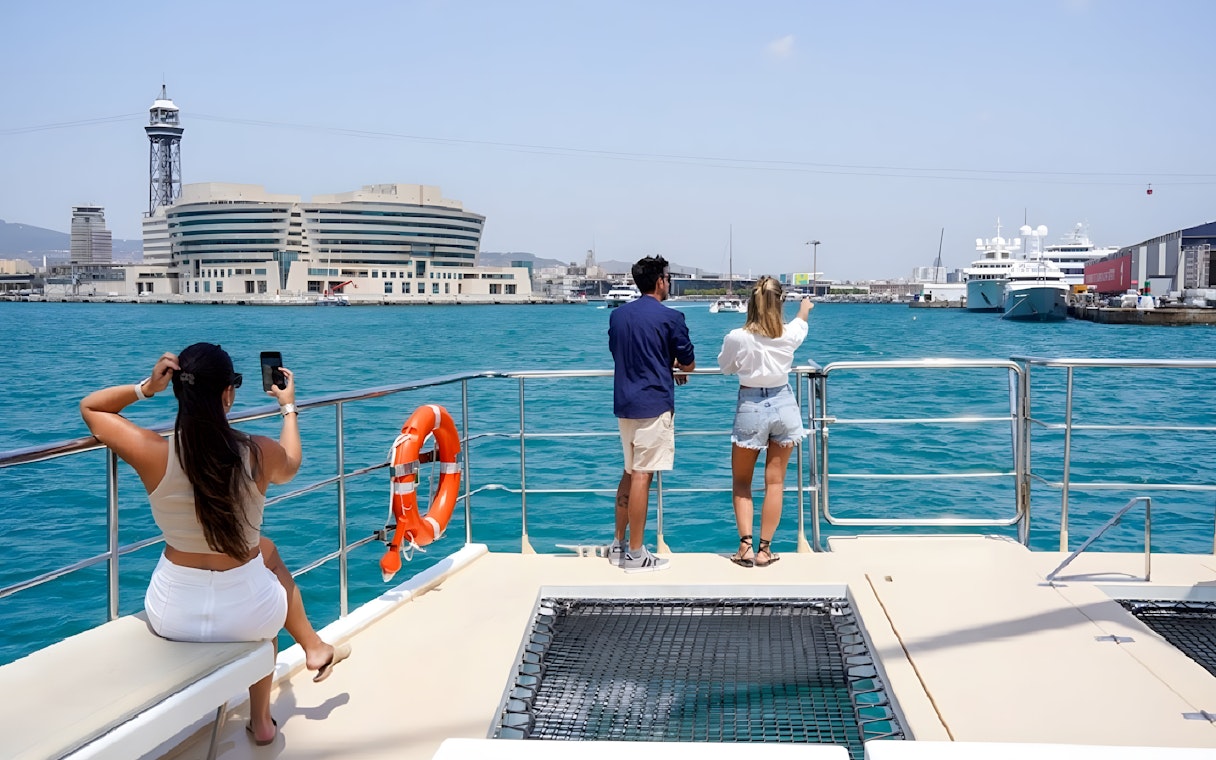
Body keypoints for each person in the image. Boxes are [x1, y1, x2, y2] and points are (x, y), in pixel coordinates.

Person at [79, 343, 350, 746]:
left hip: (173, 613)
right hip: (247, 614)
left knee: (264, 554)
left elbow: (93, 409)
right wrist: (288, 407)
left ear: (178, 389)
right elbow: (291, 464)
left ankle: (312, 647)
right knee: (264, 598)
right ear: (228, 393)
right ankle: (264, 718)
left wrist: (145, 388)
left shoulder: (153, 451)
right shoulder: (257, 451)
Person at [607, 255, 696, 572]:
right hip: (653, 405)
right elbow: (687, 364)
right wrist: (672, 365)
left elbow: (618, 352)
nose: (669, 283)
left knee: (630, 473)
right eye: (668, 278)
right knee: (643, 475)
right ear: (660, 281)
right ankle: (635, 555)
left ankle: (618, 544)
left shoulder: (619, 317)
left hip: (625, 404)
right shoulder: (671, 318)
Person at [717, 277, 813, 567]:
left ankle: (744, 547)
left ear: (751, 303)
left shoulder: (738, 337)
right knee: (775, 482)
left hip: (751, 406)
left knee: (742, 481)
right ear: (779, 302)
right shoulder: (788, 334)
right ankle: (764, 550)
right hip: (785, 404)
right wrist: (804, 307)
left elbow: (725, 368)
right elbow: (801, 321)